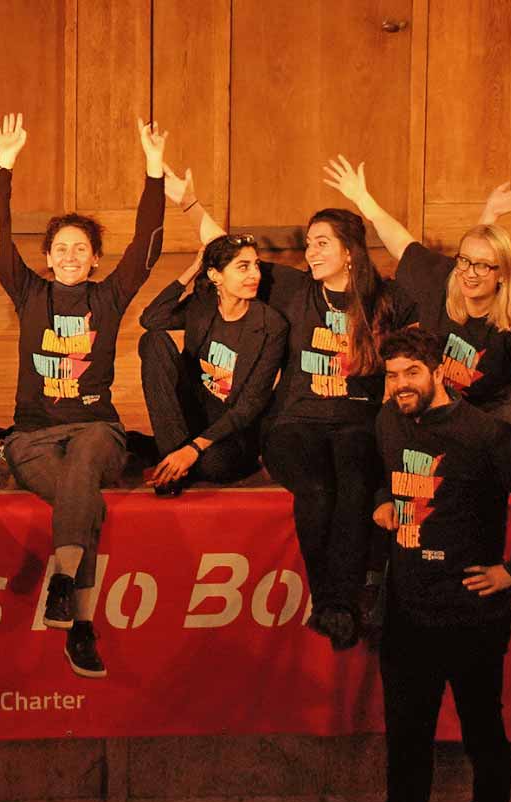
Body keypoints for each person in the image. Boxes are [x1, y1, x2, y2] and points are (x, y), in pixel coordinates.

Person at [171, 169, 418, 651]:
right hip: (292, 424)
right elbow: (225, 249)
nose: (311, 251)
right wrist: (190, 206)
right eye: (309, 243)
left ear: (350, 251)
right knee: (317, 488)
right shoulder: (292, 288)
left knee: (352, 485)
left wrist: (366, 202)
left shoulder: (385, 300)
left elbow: (423, 268)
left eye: (323, 243)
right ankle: (337, 601)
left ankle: (334, 605)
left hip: (356, 421)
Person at [0, 114, 169, 678]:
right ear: (47, 257)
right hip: (31, 435)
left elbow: (150, 245)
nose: (69, 254)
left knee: (86, 461)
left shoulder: (108, 297)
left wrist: (154, 170)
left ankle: (63, 582)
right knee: (79, 497)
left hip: (96, 428)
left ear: (94, 258)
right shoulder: (29, 292)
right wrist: (4, 166)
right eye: (60, 247)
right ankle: (80, 622)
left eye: (80, 248)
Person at [371, 326, 511, 802]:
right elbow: (389, 470)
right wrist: (382, 502)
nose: (401, 385)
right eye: (392, 375)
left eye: (411, 373)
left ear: (439, 371)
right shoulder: (389, 421)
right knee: (406, 751)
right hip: (406, 614)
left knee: (484, 740)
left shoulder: (486, 435)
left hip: (469, 619)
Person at [321, 156, 511, 467]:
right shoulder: (443, 282)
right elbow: (401, 244)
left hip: (495, 410)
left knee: (479, 466)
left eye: (483, 267)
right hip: (444, 404)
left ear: (502, 274)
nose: (470, 273)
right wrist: (363, 200)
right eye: (464, 261)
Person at [138, 232, 287, 497]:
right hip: (193, 414)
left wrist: (193, 449)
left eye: (256, 265)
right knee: (153, 342)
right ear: (216, 276)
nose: (255, 275)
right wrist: (193, 269)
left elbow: (249, 406)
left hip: (232, 431)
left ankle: (169, 458)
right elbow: (152, 319)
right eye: (243, 267)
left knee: (213, 465)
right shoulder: (203, 305)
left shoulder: (271, 326)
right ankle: (175, 461)